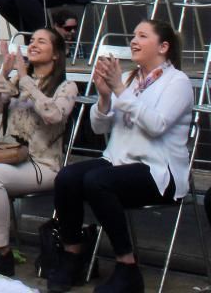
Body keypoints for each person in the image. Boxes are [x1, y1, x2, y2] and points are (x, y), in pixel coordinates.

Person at [47, 19, 193, 293]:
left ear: (163, 47)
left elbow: (156, 125)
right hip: (118, 161)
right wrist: (104, 97)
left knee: (96, 181)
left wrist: (118, 90)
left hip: (158, 169)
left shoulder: (178, 82)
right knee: (67, 177)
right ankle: (72, 255)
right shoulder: (129, 79)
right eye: (133, 35)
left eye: (142, 36)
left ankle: (127, 267)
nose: (134, 41)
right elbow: (99, 126)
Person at [0, 27, 77, 277]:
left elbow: (53, 114)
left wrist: (26, 81)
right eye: (31, 40)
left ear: (56, 54)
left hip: (44, 165)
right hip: (10, 156)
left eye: (41, 42)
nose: (32, 45)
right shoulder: (18, 80)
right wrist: (4, 73)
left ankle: (1, 251)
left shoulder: (67, 87)